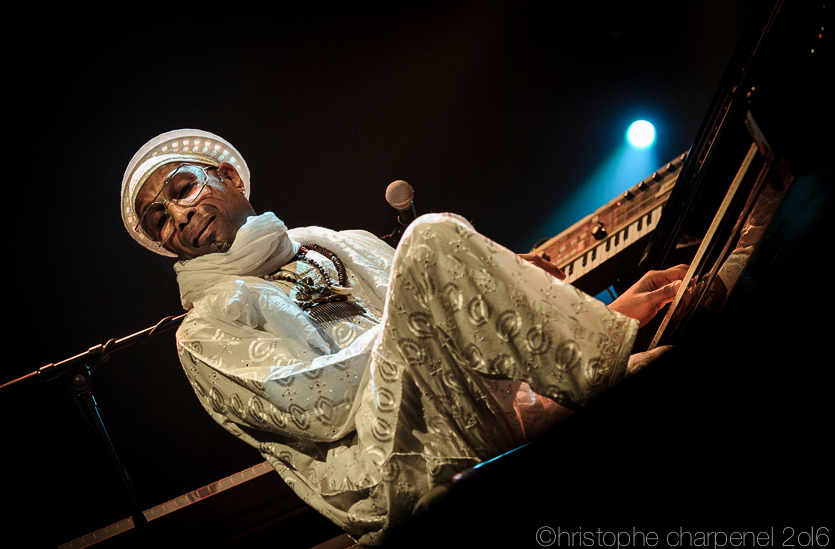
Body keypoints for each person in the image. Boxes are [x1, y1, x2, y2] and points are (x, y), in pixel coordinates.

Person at [121, 129, 686, 546]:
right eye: (159, 218)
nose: (177, 213)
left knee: (676, 336)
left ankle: (608, 353)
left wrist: (610, 309)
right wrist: (431, 299)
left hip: (475, 412)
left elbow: (459, 336)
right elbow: (315, 406)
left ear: (229, 178)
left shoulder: (332, 240)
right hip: (389, 474)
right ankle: (602, 367)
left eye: (181, 188)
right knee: (435, 238)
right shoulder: (202, 330)